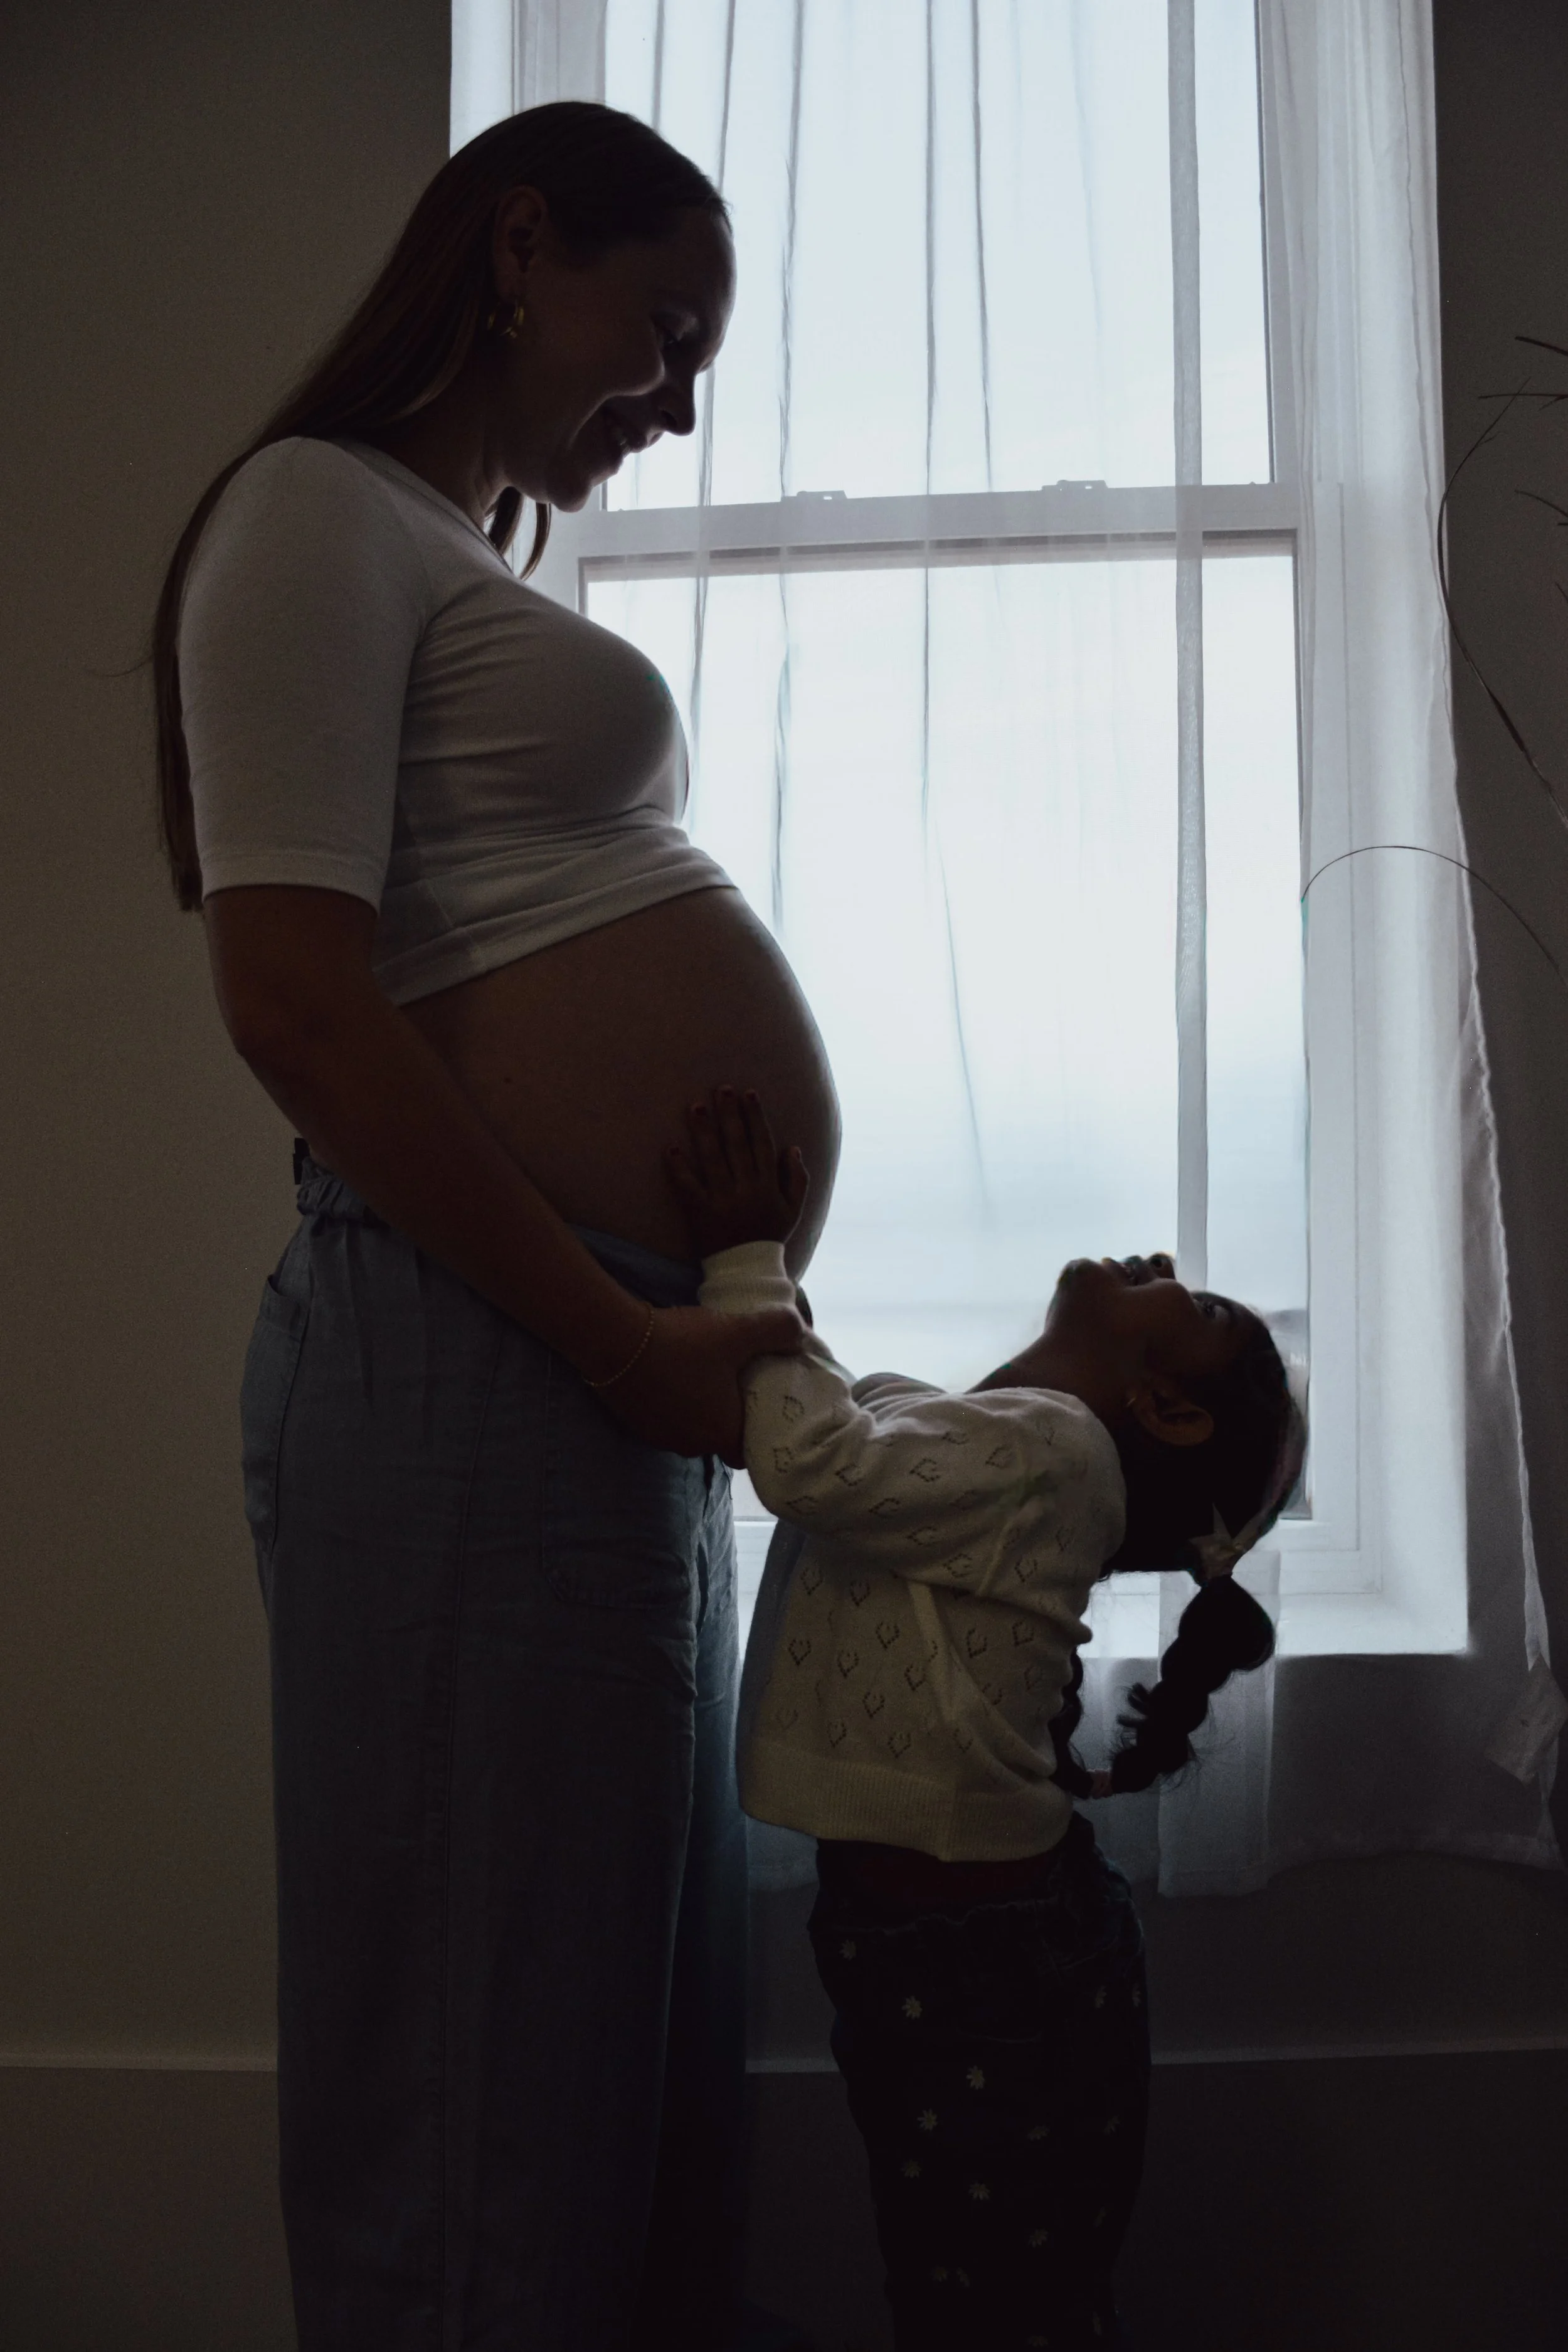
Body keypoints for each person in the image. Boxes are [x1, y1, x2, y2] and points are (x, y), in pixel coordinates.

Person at [152, 102, 840, 2351]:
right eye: (666, 329)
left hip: (594, 1367)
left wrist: (697, 1305)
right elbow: (293, 1002)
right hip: (491, 1362)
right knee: (470, 2138)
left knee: (599, 2111)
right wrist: (618, 1344)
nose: (682, 396)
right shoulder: (310, 518)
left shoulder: (458, 555)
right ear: (519, 248)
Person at [667, 1088, 1305, 2352]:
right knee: (976, 2284)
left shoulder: (1055, 1450)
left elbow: (806, 1462)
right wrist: (773, 1299)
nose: (1167, 1269)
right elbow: (838, 1429)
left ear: (1169, 1410)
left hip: (973, 1953)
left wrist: (750, 1260)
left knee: (989, 2298)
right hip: (953, 1941)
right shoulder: (1002, 1441)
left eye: (1196, 1307)